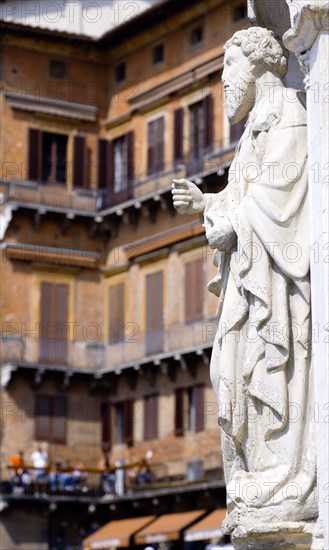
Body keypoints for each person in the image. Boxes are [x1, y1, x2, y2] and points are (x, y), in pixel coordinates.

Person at [172, 27, 316, 527]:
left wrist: (231, 221)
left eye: (228, 68)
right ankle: (260, 474)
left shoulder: (290, 118)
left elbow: (283, 203)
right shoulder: (255, 129)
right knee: (228, 373)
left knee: (263, 371)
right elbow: (243, 200)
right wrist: (207, 203)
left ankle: (283, 475)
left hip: (276, 287)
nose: (224, 82)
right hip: (250, 288)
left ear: (256, 65)